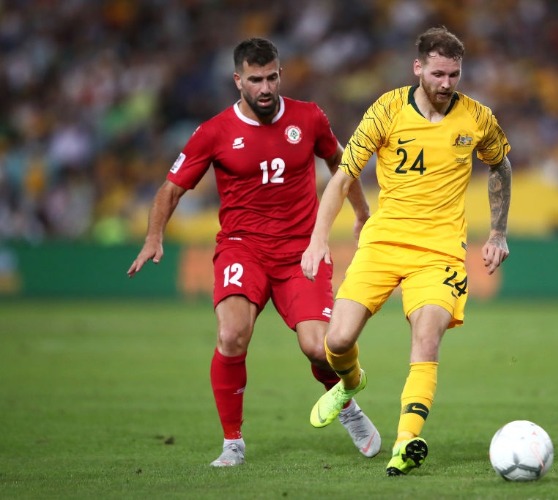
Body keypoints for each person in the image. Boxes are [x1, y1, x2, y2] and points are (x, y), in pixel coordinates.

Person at [127, 38, 381, 467]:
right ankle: (232, 443)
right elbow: (171, 189)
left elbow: (342, 164)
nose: (265, 88)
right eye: (256, 79)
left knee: (319, 348)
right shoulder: (214, 132)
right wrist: (154, 236)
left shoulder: (309, 117)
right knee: (230, 335)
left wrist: (361, 211)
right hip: (242, 249)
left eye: (272, 77)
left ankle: (348, 410)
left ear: (280, 74)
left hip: (302, 249)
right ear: (238, 81)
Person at [301, 26, 512, 476]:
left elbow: (500, 165)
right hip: (384, 241)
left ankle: (406, 443)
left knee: (427, 339)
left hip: (440, 252)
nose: (446, 83)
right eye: (438, 73)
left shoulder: (477, 118)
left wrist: (497, 232)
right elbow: (342, 176)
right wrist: (320, 237)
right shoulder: (386, 110)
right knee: (335, 341)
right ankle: (351, 381)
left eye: (454, 74)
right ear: (418, 68)